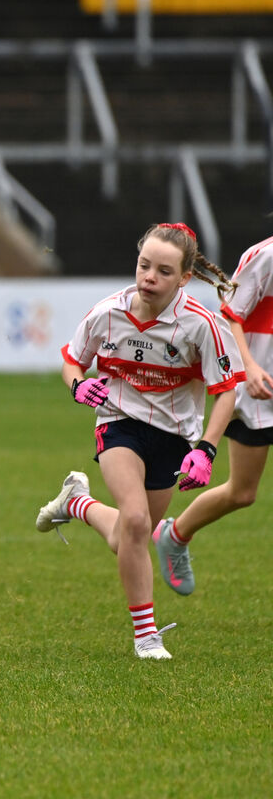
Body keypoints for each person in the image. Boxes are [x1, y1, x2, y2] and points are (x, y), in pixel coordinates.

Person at [33, 222, 243, 659]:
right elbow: (73, 361)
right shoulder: (107, 312)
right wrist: (77, 387)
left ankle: (77, 503)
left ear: (185, 278)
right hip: (118, 424)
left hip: (174, 438)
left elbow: (227, 390)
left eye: (164, 271)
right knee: (133, 521)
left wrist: (205, 450)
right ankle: (147, 636)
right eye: (144, 265)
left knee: (131, 535)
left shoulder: (200, 325)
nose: (149, 277)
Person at [150, 233, 273, 596]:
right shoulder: (265, 256)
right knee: (242, 493)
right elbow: (231, 313)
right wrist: (248, 367)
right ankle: (175, 535)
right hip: (259, 391)